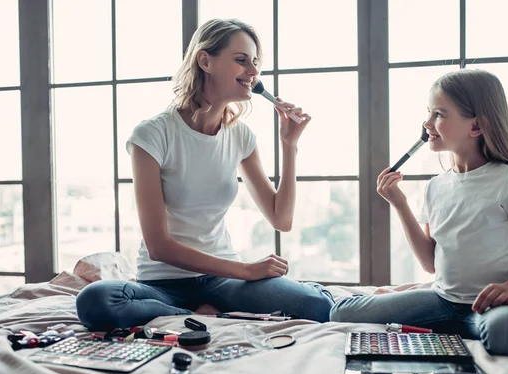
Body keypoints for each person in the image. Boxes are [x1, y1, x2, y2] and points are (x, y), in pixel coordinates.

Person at [76, 19, 334, 331]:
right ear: (205, 60)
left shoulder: (241, 136)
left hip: (223, 282)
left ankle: (200, 309)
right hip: (164, 283)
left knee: (317, 305)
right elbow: (159, 245)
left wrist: (289, 145)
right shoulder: (152, 134)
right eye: (241, 60)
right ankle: (197, 310)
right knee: (95, 301)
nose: (253, 72)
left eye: (255, 63)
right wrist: (245, 270)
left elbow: (282, 219)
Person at [330, 69, 508, 361]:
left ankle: (471, 328)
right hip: (443, 301)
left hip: (493, 308)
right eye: (428, 113)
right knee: (341, 311)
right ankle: (455, 328)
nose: (426, 124)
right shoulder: (436, 186)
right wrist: (399, 203)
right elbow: (430, 263)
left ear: (475, 126)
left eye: (439, 114)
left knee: (507, 332)